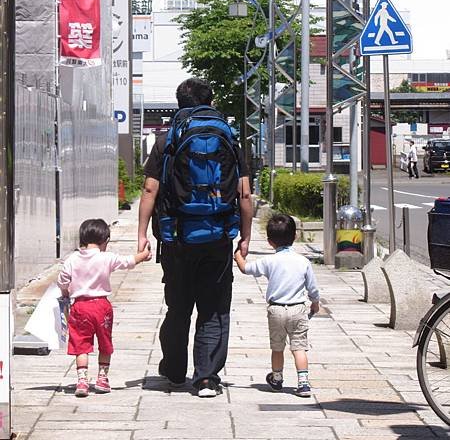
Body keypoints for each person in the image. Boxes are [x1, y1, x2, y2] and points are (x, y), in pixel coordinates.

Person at [138, 77, 252, 398]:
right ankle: (206, 378)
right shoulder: (229, 138)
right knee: (214, 307)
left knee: (178, 306)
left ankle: (174, 371)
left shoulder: (168, 140)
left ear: (179, 104)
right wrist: (245, 236)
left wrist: (141, 236)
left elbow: (149, 189)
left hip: (176, 238)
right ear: (210, 100)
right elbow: (244, 194)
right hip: (217, 237)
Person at [57, 218, 150, 397]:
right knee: (105, 343)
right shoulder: (107, 257)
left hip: (80, 307)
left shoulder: (72, 259)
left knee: (81, 345)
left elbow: (62, 281)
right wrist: (144, 254)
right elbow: (129, 261)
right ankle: (102, 378)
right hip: (101, 306)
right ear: (105, 240)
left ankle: (82, 382)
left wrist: (65, 293)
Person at [234, 213, 319, 397]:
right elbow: (312, 287)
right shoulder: (303, 261)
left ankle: (277, 378)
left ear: (270, 242)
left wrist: (238, 255)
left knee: (277, 347)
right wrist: (315, 303)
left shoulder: (269, 261)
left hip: (276, 309)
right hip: (298, 308)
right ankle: (303, 383)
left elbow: (246, 269)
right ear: (295, 237)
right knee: (299, 347)